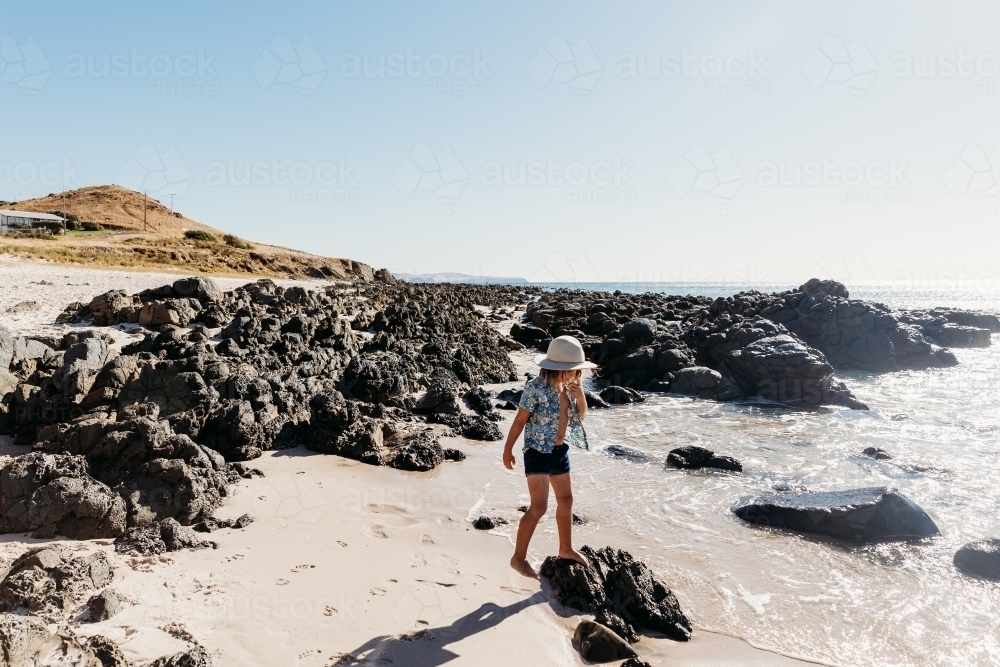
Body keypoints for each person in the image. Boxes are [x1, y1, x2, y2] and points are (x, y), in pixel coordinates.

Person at [503, 335, 595, 579]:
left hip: (559, 451)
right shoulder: (535, 387)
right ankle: (518, 558)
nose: (575, 374)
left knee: (566, 500)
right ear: (556, 369)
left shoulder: (569, 387)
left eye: (577, 370)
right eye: (571, 370)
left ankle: (566, 549)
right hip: (537, 452)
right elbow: (520, 419)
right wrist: (507, 449)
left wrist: (580, 396)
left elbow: (580, 418)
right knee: (539, 506)